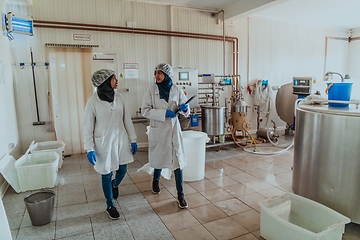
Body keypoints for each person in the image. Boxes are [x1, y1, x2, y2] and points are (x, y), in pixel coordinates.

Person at [83, 69, 137, 219]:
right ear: (105, 81)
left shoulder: (119, 98)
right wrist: (89, 148)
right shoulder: (93, 101)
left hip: (121, 140)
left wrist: (133, 139)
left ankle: (115, 185)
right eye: (113, 77)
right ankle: (109, 204)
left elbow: (127, 120)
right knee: (106, 173)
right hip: (103, 143)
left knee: (122, 169)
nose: (116, 79)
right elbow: (87, 127)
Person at [141, 63, 190, 209]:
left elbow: (185, 109)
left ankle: (180, 194)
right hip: (159, 129)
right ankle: (155, 181)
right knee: (159, 158)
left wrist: (185, 109)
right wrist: (163, 114)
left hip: (174, 130)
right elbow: (145, 110)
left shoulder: (176, 89)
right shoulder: (151, 90)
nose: (157, 75)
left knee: (177, 161)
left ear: (167, 75)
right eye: (155, 73)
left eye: (160, 73)